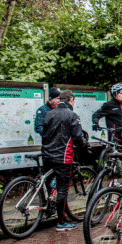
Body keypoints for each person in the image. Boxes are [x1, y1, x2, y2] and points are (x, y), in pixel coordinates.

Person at [42, 90, 90, 232]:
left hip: (47, 154)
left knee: (51, 184)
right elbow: (78, 137)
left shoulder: (49, 113)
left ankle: (48, 208)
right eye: (74, 101)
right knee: (63, 189)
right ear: (70, 99)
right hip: (63, 156)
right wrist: (86, 147)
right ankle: (61, 222)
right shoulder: (72, 115)